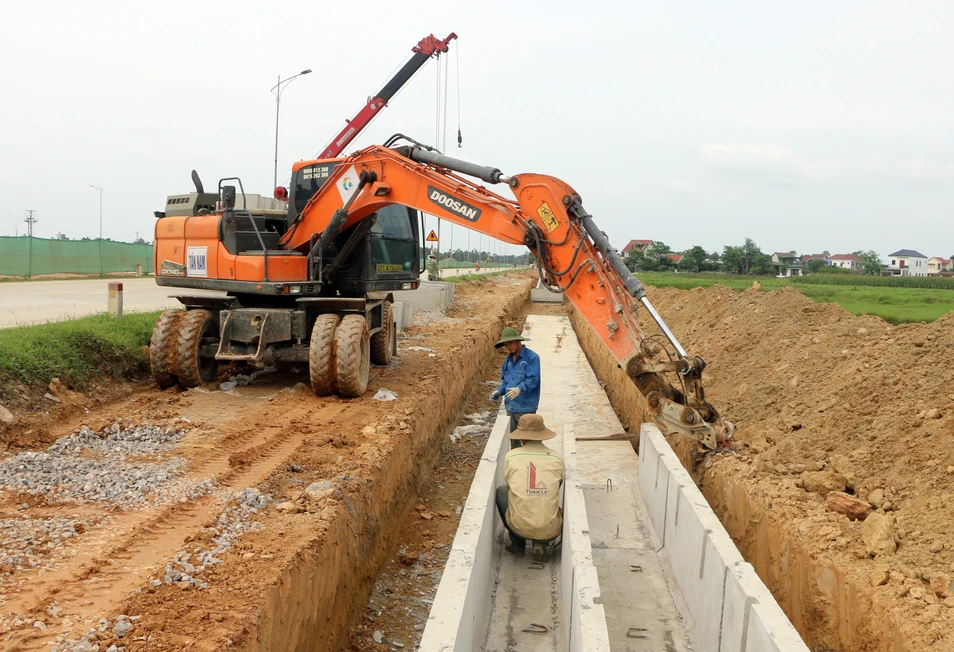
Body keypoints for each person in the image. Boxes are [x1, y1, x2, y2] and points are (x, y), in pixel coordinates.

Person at [495, 414, 564, 562]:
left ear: (522, 437)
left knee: (502, 492)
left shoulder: (511, 456)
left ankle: (518, 544)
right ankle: (540, 544)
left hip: (519, 526)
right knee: (546, 497)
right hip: (551, 529)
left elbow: (511, 484)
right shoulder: (556, 459)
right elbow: (557, 485)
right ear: (542, 435)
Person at [489, 327, 540, 448]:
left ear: (518, 341)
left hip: (526, 406)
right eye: (506, 344)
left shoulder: (532, 358)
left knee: (527, 440)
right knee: (514, 439)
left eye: (510, 343)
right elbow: (506, 382)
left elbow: (533, 380)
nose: (508, 347)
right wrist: (499, 391)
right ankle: (517, 463)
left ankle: (528, 463)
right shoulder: (508, 361)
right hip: (511, 407)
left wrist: (519, 389)